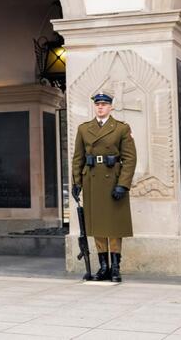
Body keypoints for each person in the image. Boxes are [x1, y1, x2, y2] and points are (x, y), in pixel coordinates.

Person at [71, 91, 137, 282]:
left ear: (111, 107)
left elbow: (130, 159)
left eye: (104, 104)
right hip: (92, 181)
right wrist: (76, 183)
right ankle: (103, 267)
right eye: (97, 104)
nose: (100, 107)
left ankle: (115, 268)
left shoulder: (121, 128)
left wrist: (123, 185)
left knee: (114, 226)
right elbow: (78, 158)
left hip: (113, 181)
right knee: (97, 225)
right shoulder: (84, 129)